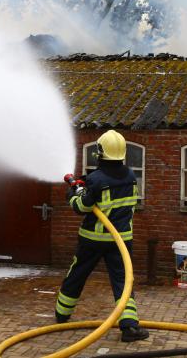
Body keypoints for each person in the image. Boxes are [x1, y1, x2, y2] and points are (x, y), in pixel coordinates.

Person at [55, 130, 149, 342]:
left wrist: (72, 194)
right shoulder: (131, 176)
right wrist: (85, 183)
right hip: (121, 241)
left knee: (77, 275)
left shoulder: (97, 180)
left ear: (100, 153)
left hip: (92, 239)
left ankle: (62, 315)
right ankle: (130, 327)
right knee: (123, 282)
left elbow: (82, 207)